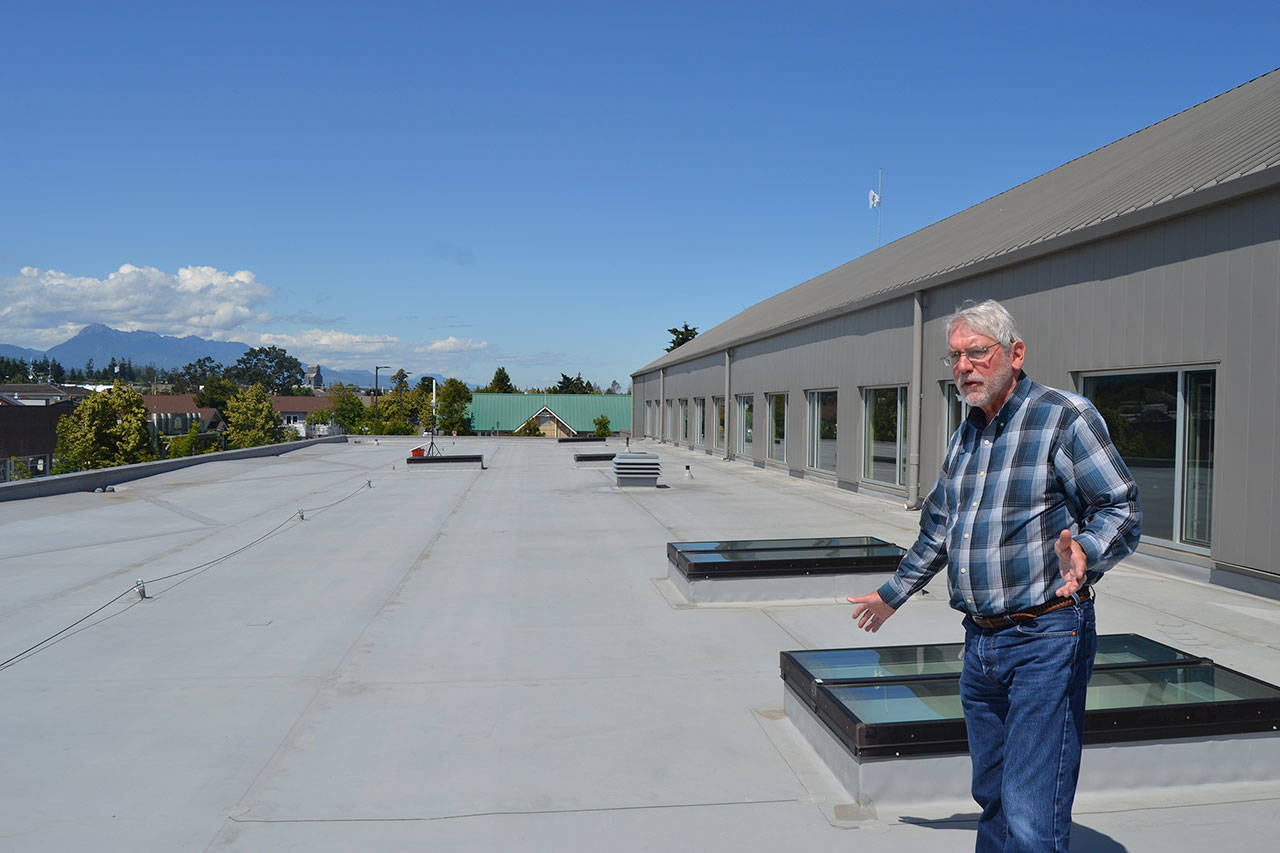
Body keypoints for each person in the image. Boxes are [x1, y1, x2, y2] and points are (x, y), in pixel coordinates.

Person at [847, 299, 1140, 853]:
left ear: (1015, 353)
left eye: (977, 353)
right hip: (980, 641)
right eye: (955, 356)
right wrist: (893, 595)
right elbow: (940, 526)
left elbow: (1121, 507)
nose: (964, 367)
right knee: (994, 795)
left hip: (1046, 636)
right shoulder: (968, 434)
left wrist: (1088, 552)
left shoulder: (1063, 417)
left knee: (1032, 807)